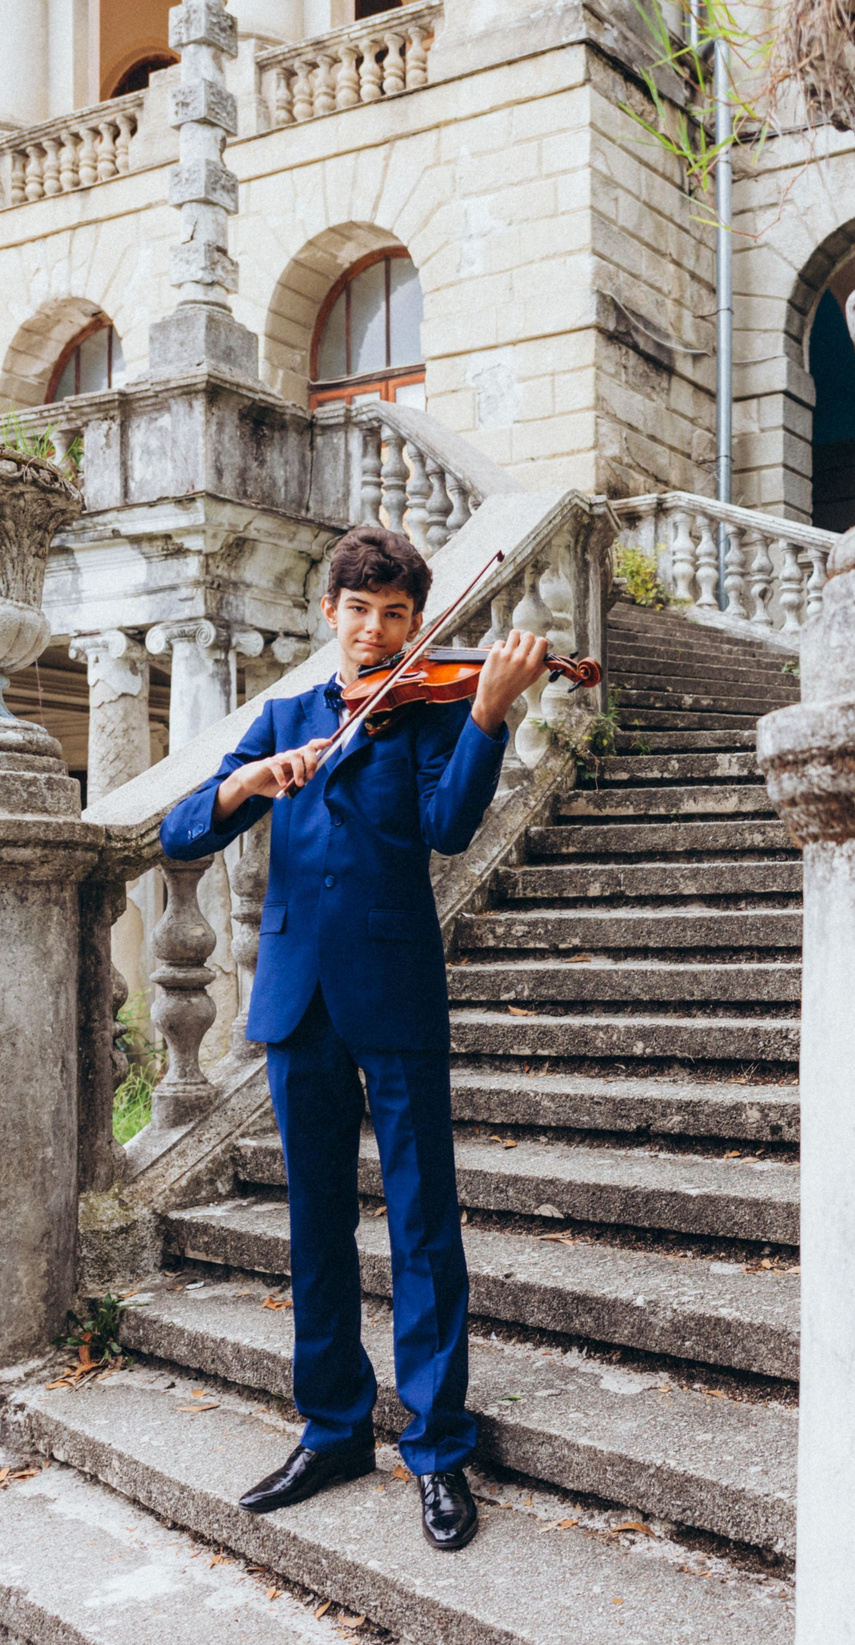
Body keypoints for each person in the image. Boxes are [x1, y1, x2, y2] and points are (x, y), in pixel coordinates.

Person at [159, 524, 549, 1551]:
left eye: (396, 614)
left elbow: (449, 827)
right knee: (315, 1226)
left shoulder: (429, 718)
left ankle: (437, 1445)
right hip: (294, 998)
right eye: (361, 609)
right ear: (329, 611)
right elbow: (181, 830)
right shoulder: (283, 714)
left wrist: (490, 714)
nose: (376, 628)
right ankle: (333, 1428)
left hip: (395, 990)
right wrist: (250, 782)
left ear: (414, 623)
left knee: (424, 1225)